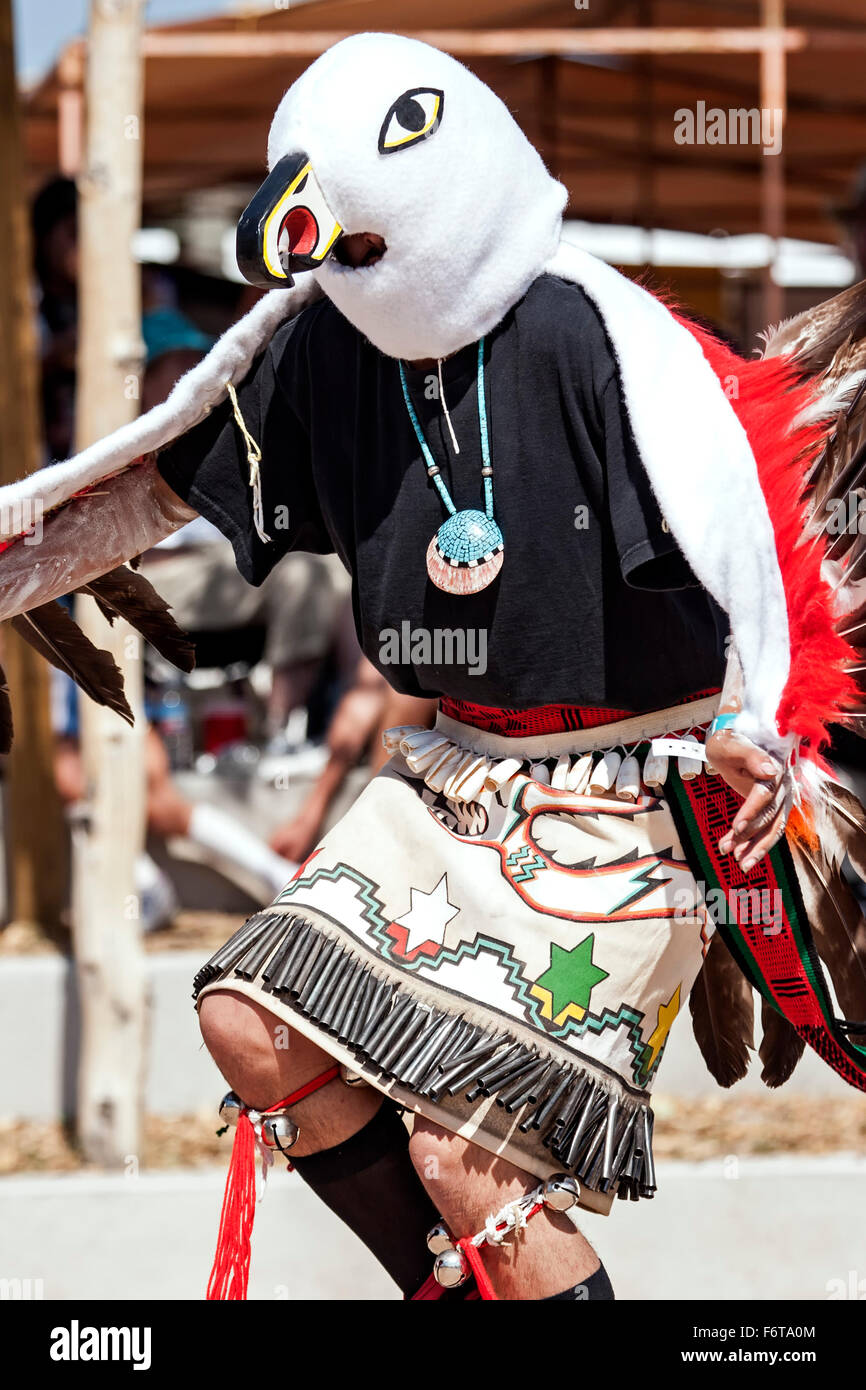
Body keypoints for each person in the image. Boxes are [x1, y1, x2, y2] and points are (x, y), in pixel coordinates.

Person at [2, 33, 866, 1302]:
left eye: (357, 241)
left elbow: (739, 517)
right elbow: (153, 485)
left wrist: (765, 724)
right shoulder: (317, 347)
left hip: (633, 789)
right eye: (334, 251)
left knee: (467, 1159)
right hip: (451, 772)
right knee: (251, 1019)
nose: (349, 266)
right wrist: (20, 557)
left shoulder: (590, 333)